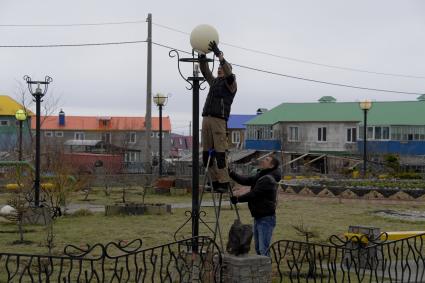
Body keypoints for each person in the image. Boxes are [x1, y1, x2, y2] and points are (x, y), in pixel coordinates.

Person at [199, 41, 237, 192]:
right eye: (219, 68)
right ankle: (214, 182)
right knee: (206, 155)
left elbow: (229, 73)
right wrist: (202, 55)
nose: (220, 70)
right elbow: (205, 71)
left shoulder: (231, 85)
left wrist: (219, 56)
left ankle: (224, 182)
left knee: (220, 153)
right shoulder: (214, 82)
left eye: (222, 68)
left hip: (219, 120)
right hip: (206, 119)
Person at [229, 156, 281, 256]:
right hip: (259, 217)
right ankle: (261, 270)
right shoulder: (262, 175)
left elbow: (254, 194)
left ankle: (266, 270)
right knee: (258, 248)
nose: (262, 160)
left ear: (271, 165)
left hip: (266, 219)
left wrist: (238, 199)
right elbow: (246, 180)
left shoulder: (268, 179)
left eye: (266, 160)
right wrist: (231, 173)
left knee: (263, 249)